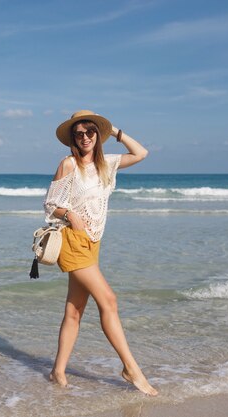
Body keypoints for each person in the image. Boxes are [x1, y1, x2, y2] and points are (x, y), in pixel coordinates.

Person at [43, 110, 158, 396]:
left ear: (98, 135)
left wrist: (115, 132)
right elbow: (49, 204)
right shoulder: (68, 164)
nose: (84, 138)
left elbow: (142, 152)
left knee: (74, 311)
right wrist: (70, 213)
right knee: (109, 300)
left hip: (93, 244)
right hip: (72, 242)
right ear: (73, 138)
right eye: (79, 134)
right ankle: (131, 368)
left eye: (90, 132)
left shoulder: (107, 164)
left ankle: (57, 372)